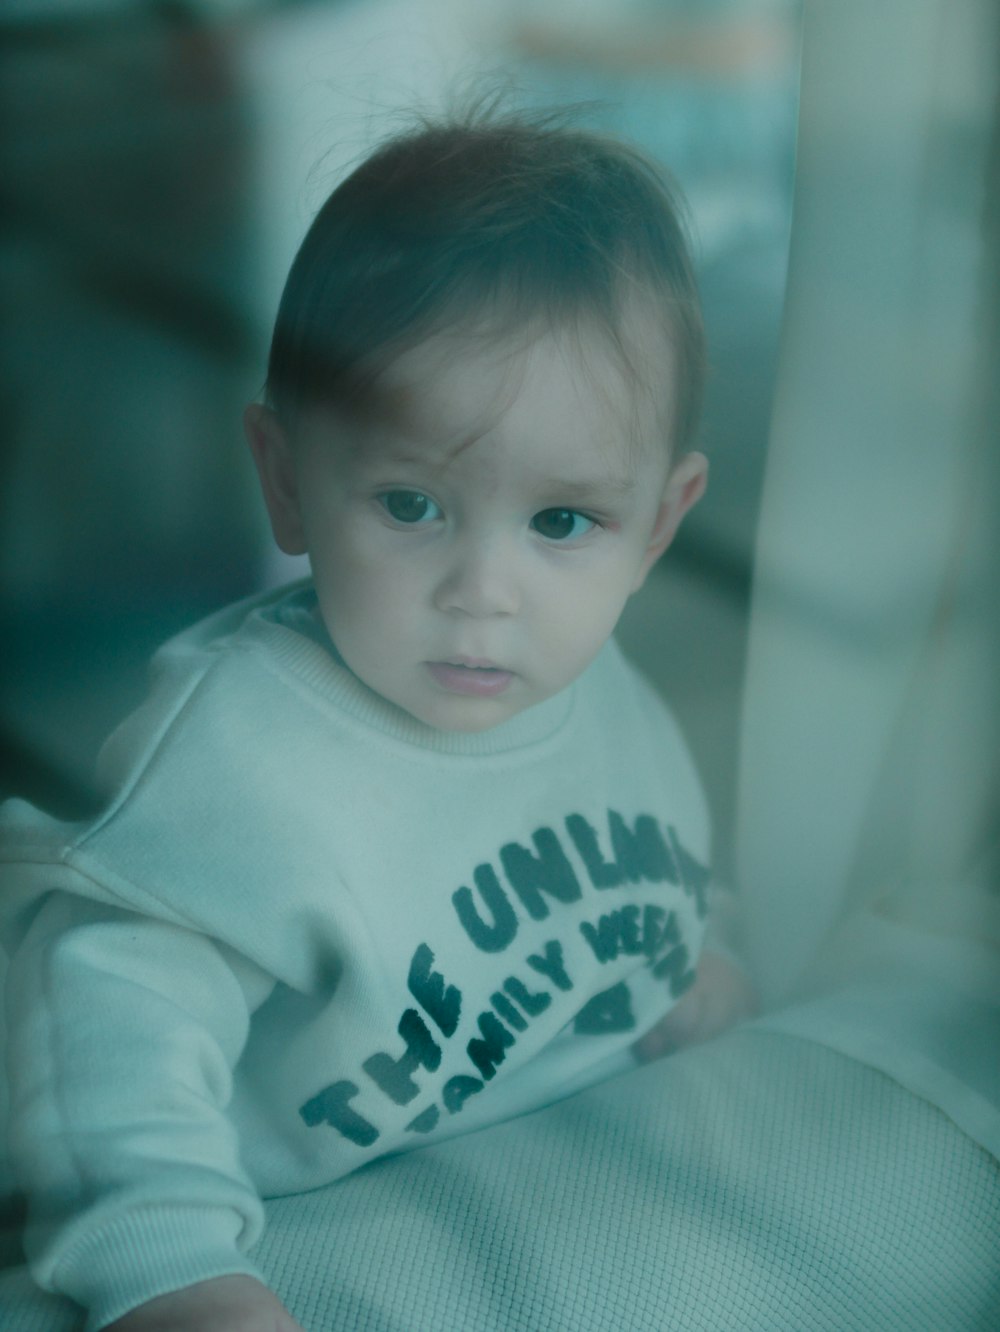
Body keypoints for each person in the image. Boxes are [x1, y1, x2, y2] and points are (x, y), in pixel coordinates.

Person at [0, 109, 754, 1332]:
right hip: (301, 1247)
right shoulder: (239, 761)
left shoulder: (591, 684)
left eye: (563, 523)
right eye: (412, 503)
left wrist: (692, 957)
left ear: (659, 526)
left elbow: (635, 866)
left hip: (567, 1215)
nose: (484, 592)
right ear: (290, 481)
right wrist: (174, 1269)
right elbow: (100, 1026)